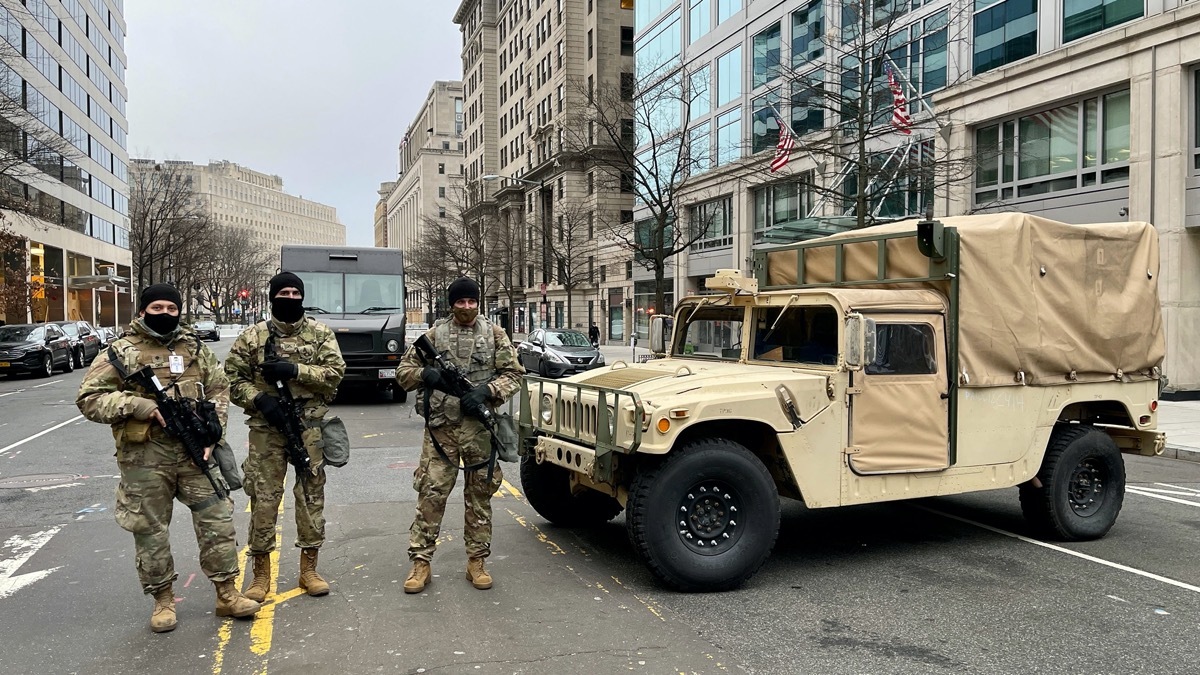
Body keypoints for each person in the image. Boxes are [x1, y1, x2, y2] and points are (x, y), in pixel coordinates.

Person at [76, 283, 260, 633]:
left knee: (218, 521)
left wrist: (212, 433)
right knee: (150, 530)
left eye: (171, 308)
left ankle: (227, 592)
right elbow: (89, 399)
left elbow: (219, 388)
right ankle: (162, 600)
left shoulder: (193, 347)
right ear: (144, 310)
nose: (165, 314)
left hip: (194, 454)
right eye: (157, 308)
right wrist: (137, 405)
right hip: (145, 458)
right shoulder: (120, 352)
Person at [395, 277, 524, 593]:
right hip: (442, 431)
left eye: (471, 301)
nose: (466, 307)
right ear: (451, 304)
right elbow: (402, 374)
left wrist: (485, 392)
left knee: (479, 497)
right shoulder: (433, 336)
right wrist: (426, 374)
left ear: (478, 303)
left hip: (479, 431)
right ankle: (420, 563)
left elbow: (514, 375)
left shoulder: (494, 334)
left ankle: (476, 561)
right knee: (431, 495)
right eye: (460, 302)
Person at [224, 272, 346, 602]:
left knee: (310, 497)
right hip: (266, 428)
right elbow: (232, 380)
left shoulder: (320, 334)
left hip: (309, 426)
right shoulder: (253, 337)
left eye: (295, 292)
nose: (290, 297)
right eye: (284, 292)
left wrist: (295, 371)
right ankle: (260, 574)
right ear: (272, 297)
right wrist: (259, 399)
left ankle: (309, 569)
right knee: (263, 499)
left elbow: (335, 374)